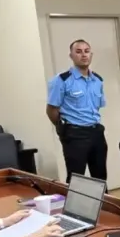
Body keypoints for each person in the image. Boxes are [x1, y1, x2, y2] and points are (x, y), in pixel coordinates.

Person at [46, 39, 108, 184]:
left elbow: (96, 107)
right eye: (78, 52)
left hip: (96, 132)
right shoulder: (62, 80)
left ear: (91, 54)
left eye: (87, 51)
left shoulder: (97, 80)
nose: (84, 55)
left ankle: (100, 200)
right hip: (75, 134)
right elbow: (51, 110)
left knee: (100, 177)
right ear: (71, 56)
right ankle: (74, 201)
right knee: (76, 179)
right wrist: (63, 129)